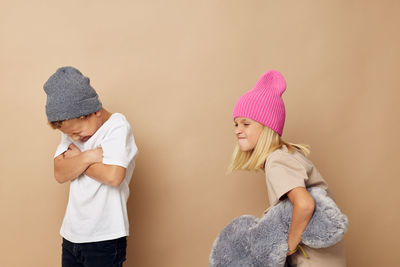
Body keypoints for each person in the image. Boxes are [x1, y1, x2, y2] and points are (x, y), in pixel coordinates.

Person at [230, 70, 346, 266]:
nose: (237, 130)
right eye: (236, 124)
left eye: (246, 123)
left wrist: (288, 247)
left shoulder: (277, 161)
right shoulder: (286, 154)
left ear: (266, 126)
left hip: (311, 261)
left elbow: (305, 204)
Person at [44, 66, 138, 267]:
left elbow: (113, 176)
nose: (75, 138)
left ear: (93, 111)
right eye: (70, 136)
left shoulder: (117, 127)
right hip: (71, 234)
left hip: (104, 237)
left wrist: (77, 159)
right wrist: (88, 157)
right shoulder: (71, 127)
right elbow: (59, 173)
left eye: (78, 133)